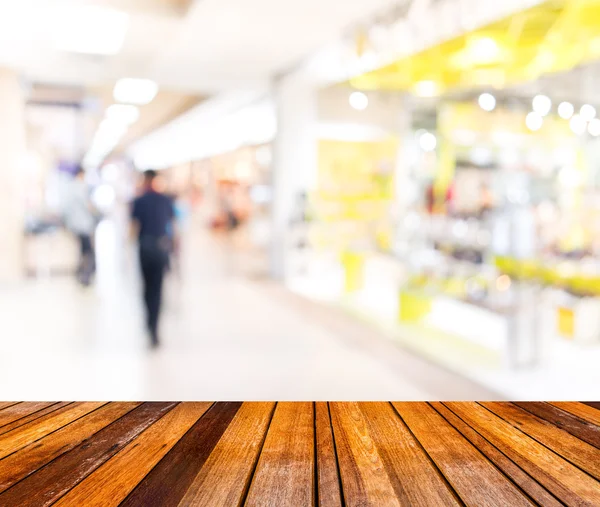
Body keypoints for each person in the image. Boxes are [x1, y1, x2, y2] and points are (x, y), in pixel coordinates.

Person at [131, 170, 177, 348]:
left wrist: (129, 250)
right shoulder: (165, 200)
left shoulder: (139, 201)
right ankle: (154, 328)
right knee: (157, 289)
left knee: (146, 287)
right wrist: (174, 249)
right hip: (160, 247)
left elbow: (133, 227)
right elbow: (173, 227)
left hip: (145, 247)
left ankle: (149, 322)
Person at [64, 166, 96, 286]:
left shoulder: (70, 187)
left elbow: (66, 208)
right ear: (81, 174)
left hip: (75, 225)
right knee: (87, 250)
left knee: (82, 249)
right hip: (83, 224)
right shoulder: (81, 187)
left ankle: (80, 273)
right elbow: (87, 205)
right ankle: (85, 275)